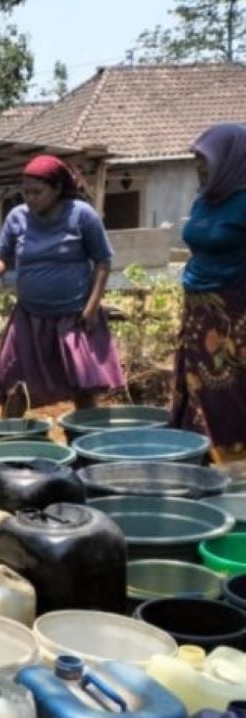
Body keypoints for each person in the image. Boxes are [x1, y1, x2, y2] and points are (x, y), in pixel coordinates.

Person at [0, 155, 125, 414]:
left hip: (74, 318)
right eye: (26, 192)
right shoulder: (17, 218)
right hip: (30, 316)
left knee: (84, 386)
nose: (31, 198)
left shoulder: (82, 216)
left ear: (58, 189)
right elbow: (2, 257)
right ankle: (10, 440)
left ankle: (86, 443)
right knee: (14, 383)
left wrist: (91, 309)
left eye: (38, 192)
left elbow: (103, 262)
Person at [169, 123, 246, 463]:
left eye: (206, 160)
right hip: (197, 311)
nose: (200, 168)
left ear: (231, 160)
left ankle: (235, 470)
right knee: (196, 386)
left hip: (234, 313)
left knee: (229, 392)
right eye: (197, 160)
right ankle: (202, 461)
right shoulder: (204, 200)